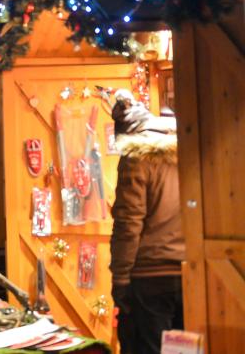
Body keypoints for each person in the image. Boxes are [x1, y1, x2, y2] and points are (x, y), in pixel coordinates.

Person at [109, 91, 184, 354]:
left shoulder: (137, 155)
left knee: (146, 347)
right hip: (192, 273)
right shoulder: (190, 148)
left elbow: (129, 221)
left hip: (148, 276)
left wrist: (119, 278)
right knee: (183, 350)